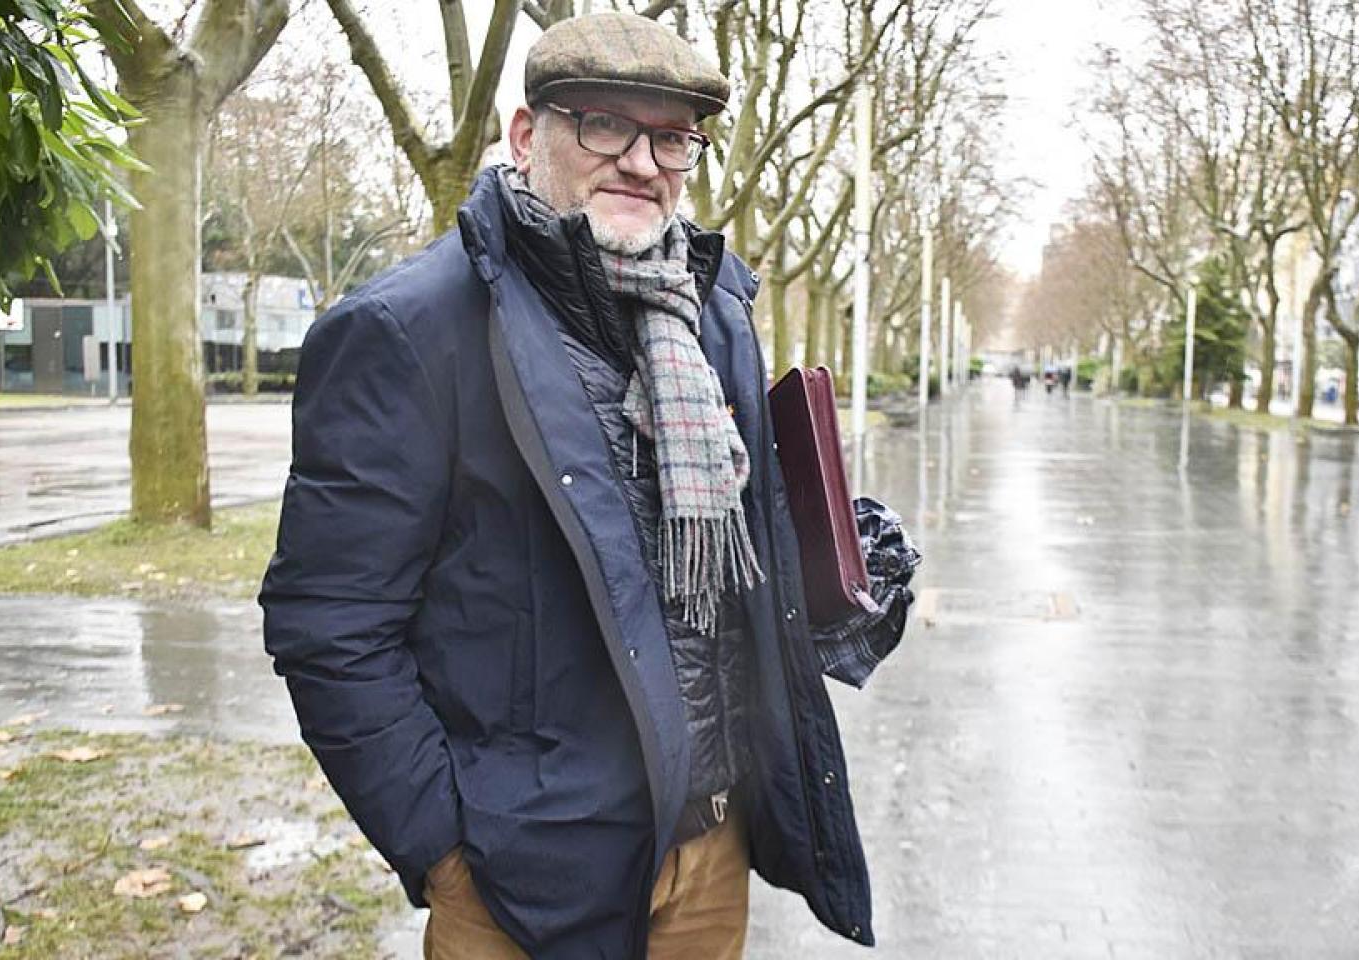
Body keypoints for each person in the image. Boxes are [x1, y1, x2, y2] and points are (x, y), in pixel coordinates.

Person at [261, 13, 912, 960]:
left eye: (673, 138)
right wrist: (445, 851)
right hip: (521, 886)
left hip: (712, 854)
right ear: (527, 136)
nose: (642, 162)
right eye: (606, 125)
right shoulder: (407, 332)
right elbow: (330, 624)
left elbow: (730, 568)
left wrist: (837, 558)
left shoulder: (713, 313)